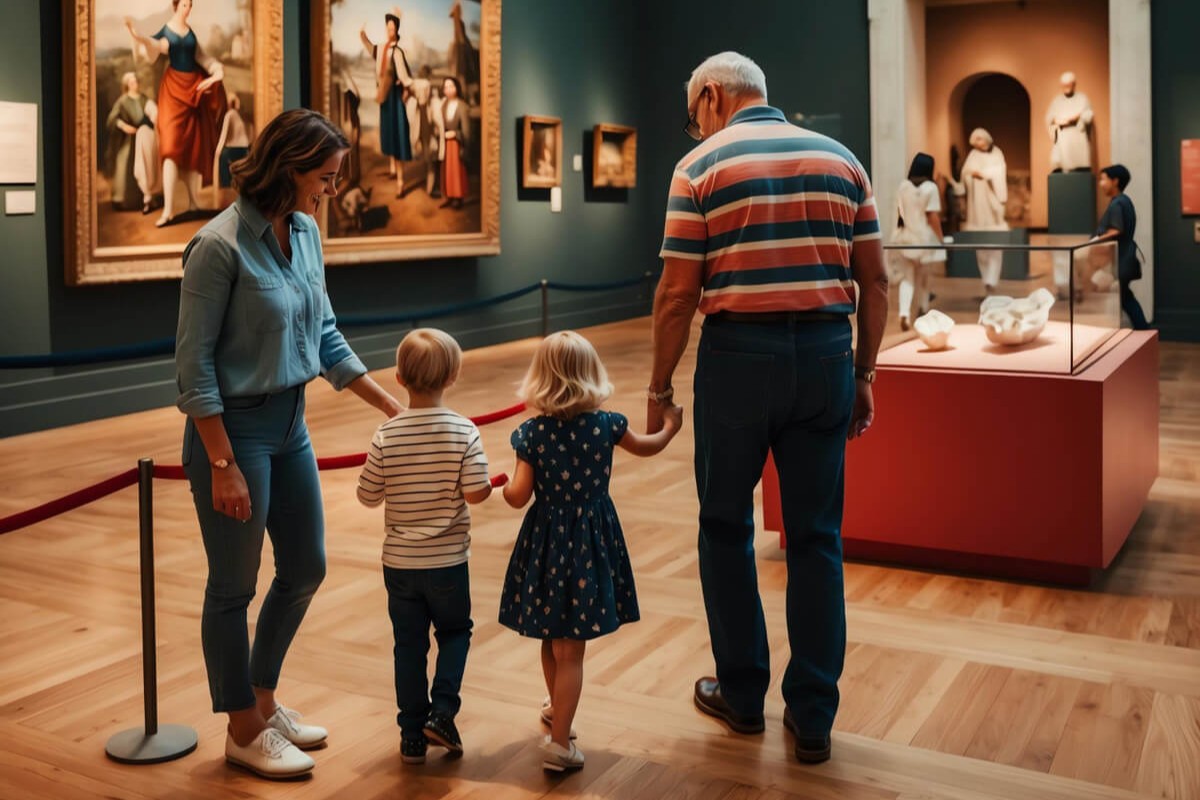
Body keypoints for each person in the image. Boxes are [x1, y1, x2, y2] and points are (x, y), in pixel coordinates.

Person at [651, 51, 887, 765]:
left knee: (725, 527)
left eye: (694, 116)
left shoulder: (699, 168)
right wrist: (865, 371)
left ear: (712, 96)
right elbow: (876, 282)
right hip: (825, 357)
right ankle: (812, 716)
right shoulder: (843, 160)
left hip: (737, 361)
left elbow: (677, 294)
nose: (697, 129)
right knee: (817, 537)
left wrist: (660, 387)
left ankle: (743, 695)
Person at [175, 108, 403, 780]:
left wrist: (393, 406)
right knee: (233, 586)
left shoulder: (305, 232)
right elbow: (193, 368)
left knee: (305, 567)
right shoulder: (217, 246)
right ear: (289, 168)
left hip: (291, 425)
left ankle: (264, 700)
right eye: (325, 177)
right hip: (233, 432)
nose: (332, 189)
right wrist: (221, 463)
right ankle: (242, 729)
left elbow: (324, 333)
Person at [499, 331, 682, 772]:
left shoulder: (531, 435)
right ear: (591, 376)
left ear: (540, 379)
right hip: (589, 545)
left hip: (546, 546)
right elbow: (649, 446)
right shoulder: (607, 426)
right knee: (572, 650)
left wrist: (503, 485)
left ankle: (557, 719)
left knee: (551, 635)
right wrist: (671, 426)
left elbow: (518, 497)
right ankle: (560, 741)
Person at [356, 329, 493, 766]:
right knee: (454, 633)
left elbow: (367, 495)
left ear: (398, 378)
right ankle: (443, 712)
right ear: (452, 377)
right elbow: (476, 493)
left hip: (399, 564)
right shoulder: (463, 430)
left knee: (408, 646)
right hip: (448, 563)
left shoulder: (386, 434)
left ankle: (412, 735)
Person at [125, 0, 227, 227]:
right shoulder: (167, 30)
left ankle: (193, 203)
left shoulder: (190, 33)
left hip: (193, 92)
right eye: (184, 5)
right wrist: (138, 36)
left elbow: (202, 57)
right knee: (170, 149)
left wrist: (216, 71)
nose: (187, 9)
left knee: (191, 149)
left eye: (190, 5)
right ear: (175, 6)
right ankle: (169, 210)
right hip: (172, 93)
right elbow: (156, 46)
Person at [360, 11, 415, 197]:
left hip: (395, 98)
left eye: (393, 28)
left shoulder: (397, 52)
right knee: (389, 134)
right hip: (385, 96)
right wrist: (363, 35)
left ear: (396, 30)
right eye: (388, 28)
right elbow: (371, 49)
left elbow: (405, 77)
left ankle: (401, 181)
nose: (390, 31)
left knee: (398, 136)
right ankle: (392, 170)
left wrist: (405, 87)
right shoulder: (382, 49)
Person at [948, 127, 1008, 293]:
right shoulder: (973, 155)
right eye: (975, 142)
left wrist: (984, 174)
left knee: (995, 245)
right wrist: (971, 175)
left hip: (991, 197)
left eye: (980, 140)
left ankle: (993, 278)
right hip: (977, 201)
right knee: (981, 245)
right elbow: (965, 173)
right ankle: (986, 279)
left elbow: (999, 171)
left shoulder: (997, 153)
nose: (978, 144)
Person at [890, 153, 945, 330]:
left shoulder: (903, 186)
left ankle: (904, 314)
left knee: (907, 278)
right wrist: (941, 239)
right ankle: (923, 310)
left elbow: (899, 213)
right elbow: (932, 216)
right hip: (924, 240)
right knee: (924, 279)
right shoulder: (931, 187)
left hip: (904, 238)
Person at [1093, 164, 1150, 330]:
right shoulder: (1124, 201)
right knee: (1125, 297)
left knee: (1124, 297)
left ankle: (1142, 329)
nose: (1101, 184)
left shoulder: (1118, 203)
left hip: (1122, 258)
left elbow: (1117, 229)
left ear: (1115, 181)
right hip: (1124, 257)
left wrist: (1095, 241)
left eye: (1103, 179)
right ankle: (1142, 329)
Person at [104, 72, 161, 214]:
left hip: (143, 138)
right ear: (127, 85)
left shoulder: (144, 99)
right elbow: (112, 119)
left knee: (147, 165)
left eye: (136, 81)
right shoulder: (123, 101)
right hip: (129, 141)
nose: (135, 84)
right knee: (127, 167)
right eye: (132, 82)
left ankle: (148, 198)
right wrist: (124, 126)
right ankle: (126, 201)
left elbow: (153, 113)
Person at [1046, 71, 1094, 173]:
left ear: (1074, 84)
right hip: (1063, 134)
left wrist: (1077, 118)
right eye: (1065, 85)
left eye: (1069, 85)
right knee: (1061, 157)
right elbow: (1050, 118)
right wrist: (1057, 121)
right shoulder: (1057, 101)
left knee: (1080, 161)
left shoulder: (1082, 98)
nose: (1067, 87)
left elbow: (1088, 114)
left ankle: (1080, 167)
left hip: (1077, 134)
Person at [436, 77, 470, 209]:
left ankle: (458, 197)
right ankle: (448, 196)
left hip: (456, 144)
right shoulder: (443, 105)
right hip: (445, 144)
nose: (449, 90)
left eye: (451, 86)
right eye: (446, 87)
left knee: (456, 170)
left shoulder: (462, 106)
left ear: (457, 88)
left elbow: (467, 131)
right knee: (446, 171)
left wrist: (456, 134)